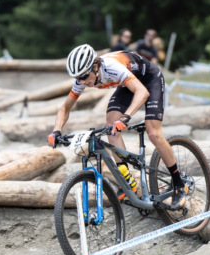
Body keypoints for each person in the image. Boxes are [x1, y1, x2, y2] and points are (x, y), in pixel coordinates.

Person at [47, 44, 188, 210]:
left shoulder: (112, 67)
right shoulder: (82, 79)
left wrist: (126, 117)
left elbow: (142, 92)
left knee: (153, 133)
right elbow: (65, 108)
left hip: (149, 79)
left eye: (84, 76)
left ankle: (179, 183)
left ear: (95, 66)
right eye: (79, 78)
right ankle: (128, 181)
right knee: (111, 126)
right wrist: (56, 130)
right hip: (127, 84)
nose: (83, 82)